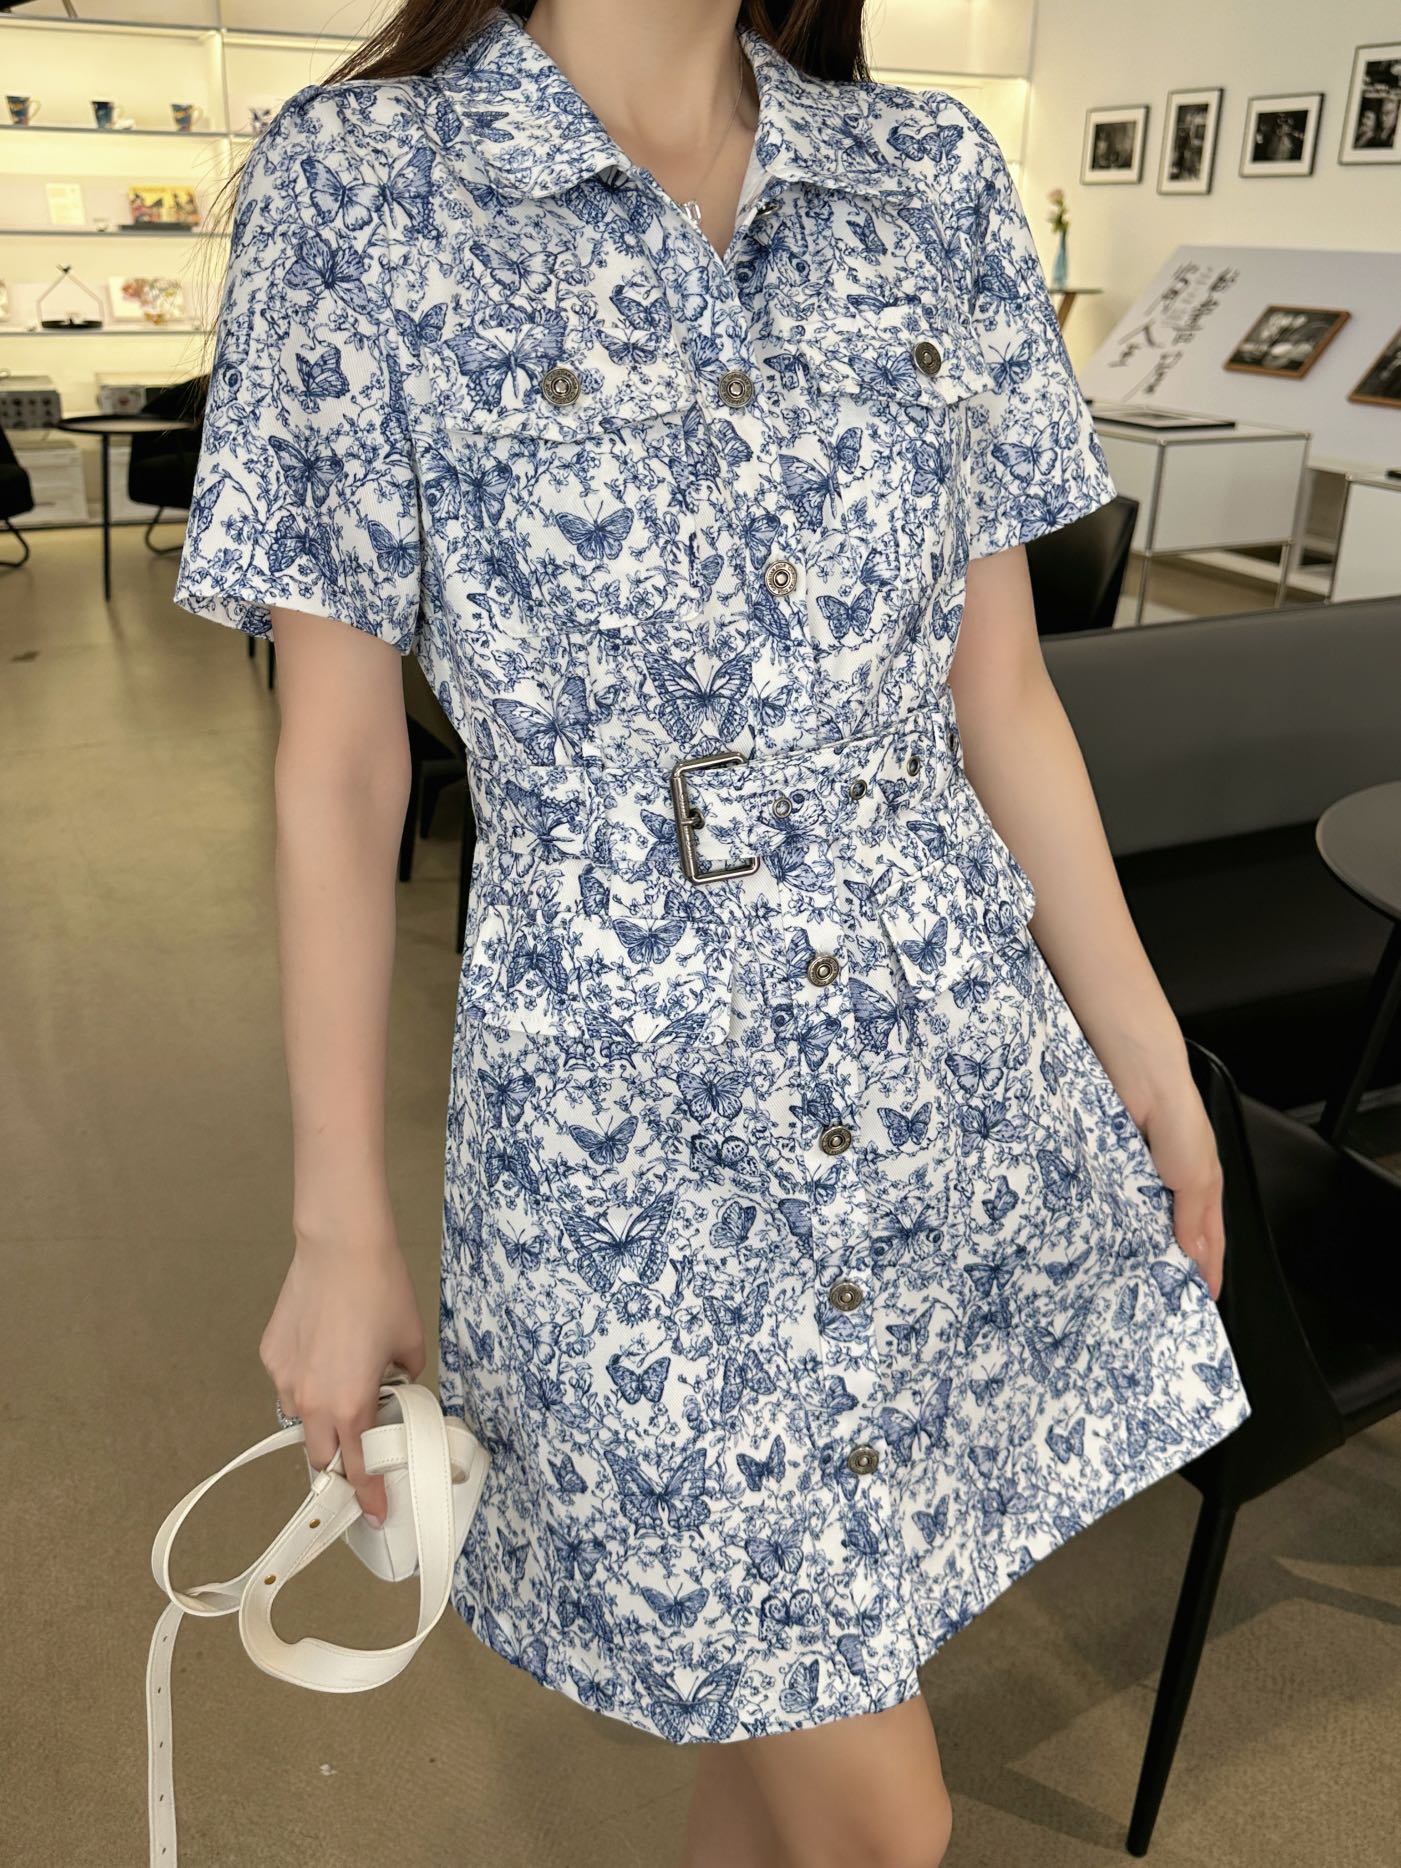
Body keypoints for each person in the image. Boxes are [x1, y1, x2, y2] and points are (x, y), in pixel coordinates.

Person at [173, 2, 1253, 1861]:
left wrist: (1141, 1049)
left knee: (773, 1717)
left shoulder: (926, 176)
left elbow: (998, 691)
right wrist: (337, 1223)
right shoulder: (358, 188)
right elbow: (339, 764)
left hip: (937, 1065)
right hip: (631, 1146)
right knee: (882, 1821)